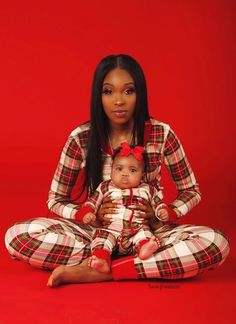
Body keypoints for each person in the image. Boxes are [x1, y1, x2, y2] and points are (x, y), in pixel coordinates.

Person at [5, 54, 230, 288]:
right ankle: (127, 262)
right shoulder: (81, 138)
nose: (119, 101)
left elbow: (191, 190)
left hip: (148, 235)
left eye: (128, 91)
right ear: (98, 96)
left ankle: (106, 271)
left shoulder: (161, 134)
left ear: (139, 94)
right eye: (109, 92)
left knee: (216, 243)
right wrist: (85, 214)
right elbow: (55, 199)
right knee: (17, 236)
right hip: (96, 234)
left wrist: (167, 213)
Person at [78, 142, 166, 273]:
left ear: (142, 175)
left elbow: (158, 203)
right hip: (110, 230)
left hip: (137, 230)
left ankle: (144, 249)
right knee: (101, 240)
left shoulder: (148, 189)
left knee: (145, 235)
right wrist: (88, 212)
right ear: (111, 170)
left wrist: (162, 211)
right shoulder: (105, 187)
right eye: (119, 169)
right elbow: (92, 201)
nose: (125, 174)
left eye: (132, 170)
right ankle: (103, 260)